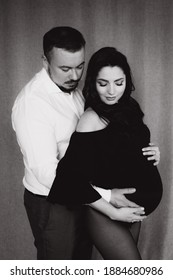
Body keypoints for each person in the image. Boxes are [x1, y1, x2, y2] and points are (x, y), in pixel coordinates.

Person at [11, 26, 160, 260]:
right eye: (65, 68)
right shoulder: (32, 104)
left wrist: (146, 154)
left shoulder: (78, 92)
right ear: (45, 61)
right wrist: (107, 199)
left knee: (81, 265)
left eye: (79, 67)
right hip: (53, 202)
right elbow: (48, 174)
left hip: (87, 197)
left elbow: (104, 144)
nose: (74, 76)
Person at [48, 47, 163, 260]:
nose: (112, 91)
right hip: (108, 212)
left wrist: (152, 153)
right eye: (103, 84)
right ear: (93, 83)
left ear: (127, 81)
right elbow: (69, 178)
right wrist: (113, 212)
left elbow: (125, 150)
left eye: (119, 83)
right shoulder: (91, 120)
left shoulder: (129, 107)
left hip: (133, 209)